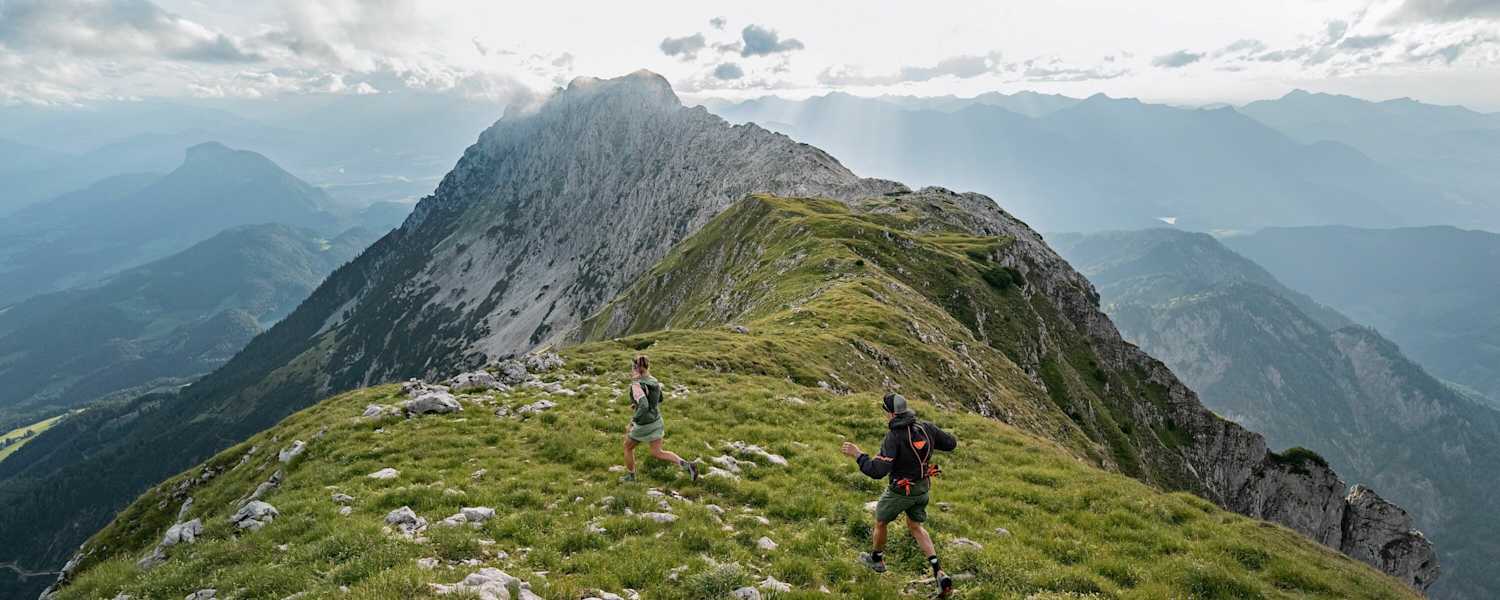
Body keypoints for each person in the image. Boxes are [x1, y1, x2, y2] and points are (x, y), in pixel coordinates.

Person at [841, 392, 959, 597]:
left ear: (891, 414)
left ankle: (876, 560)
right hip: (922, 487)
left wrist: (858, 454)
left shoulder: (894, 437)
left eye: (885, 411)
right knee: (915, 526)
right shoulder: (926, 427)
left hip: (900, 490)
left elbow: (877, 471)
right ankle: (938, 571)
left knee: (880, 521)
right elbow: (950, 443)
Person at [621, 355, 698, 482]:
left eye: (632, 368)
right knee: (657, 452)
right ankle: (687, 465)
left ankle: (631, 476)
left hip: (644, 424)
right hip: (656, 421)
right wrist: (639, 403)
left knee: (627, 447)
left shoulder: (636, 385)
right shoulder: (653, 380)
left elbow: (644, 406)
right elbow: (659, 398)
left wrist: (633, 421)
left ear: (636, 368)